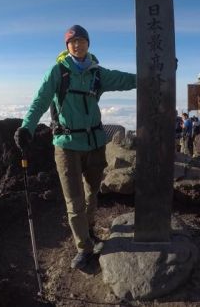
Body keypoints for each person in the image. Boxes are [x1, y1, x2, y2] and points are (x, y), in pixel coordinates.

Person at [14, 25, 136, 270]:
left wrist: (155, 72)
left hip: (95, 144)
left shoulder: (97, 73)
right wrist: (27, 127)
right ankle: (84, 248)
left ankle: (89, 230)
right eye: (73, 42)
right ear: (67, 46)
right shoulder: (58, 71)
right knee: (74, 200)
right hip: (66, 145)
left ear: (88, 44)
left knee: (92, 194)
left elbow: (125, 80)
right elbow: (41, 99)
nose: (77, 45)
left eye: (82, 41)